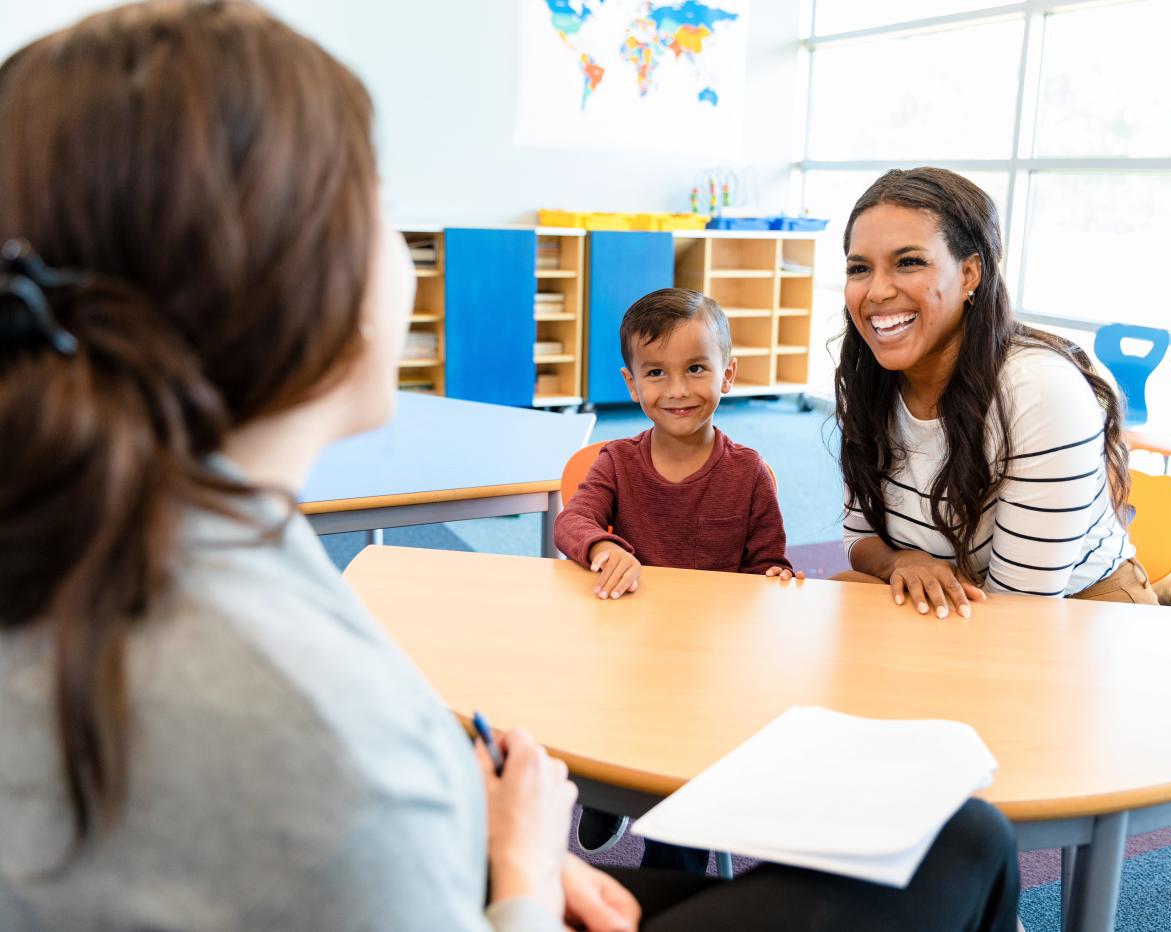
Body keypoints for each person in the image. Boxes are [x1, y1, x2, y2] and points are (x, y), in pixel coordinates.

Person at [0, 5, 1018, 930]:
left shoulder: (138, 530)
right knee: (965, 841)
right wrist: (522, 866)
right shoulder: (296, 723)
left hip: (472, 868)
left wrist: (495, 852)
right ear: (296, 277)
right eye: (379, 207)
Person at [835, 167, 1157, 616]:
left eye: (909, 262)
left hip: (1076, 614)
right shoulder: (870, 375)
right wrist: (901, 560)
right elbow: (858, 536)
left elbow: (1019, 609)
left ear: (970, 273)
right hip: (958, 606)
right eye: (860, 268)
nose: (878, 290)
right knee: (839, 594)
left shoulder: (1040, 391)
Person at [554, 287, 800, 870]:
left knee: (681, 800)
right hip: (630, 655)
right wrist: (603, 547)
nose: (678, 390)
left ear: (728, 374)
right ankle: (607, 789)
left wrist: (776, 579)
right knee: (589, 710)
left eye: (696, 368)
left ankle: (669, 855)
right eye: (656, 373)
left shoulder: (749, 474)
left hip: (711, 666)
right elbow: (573, 521)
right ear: (632, 384)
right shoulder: (616, 461)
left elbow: (770, 564)